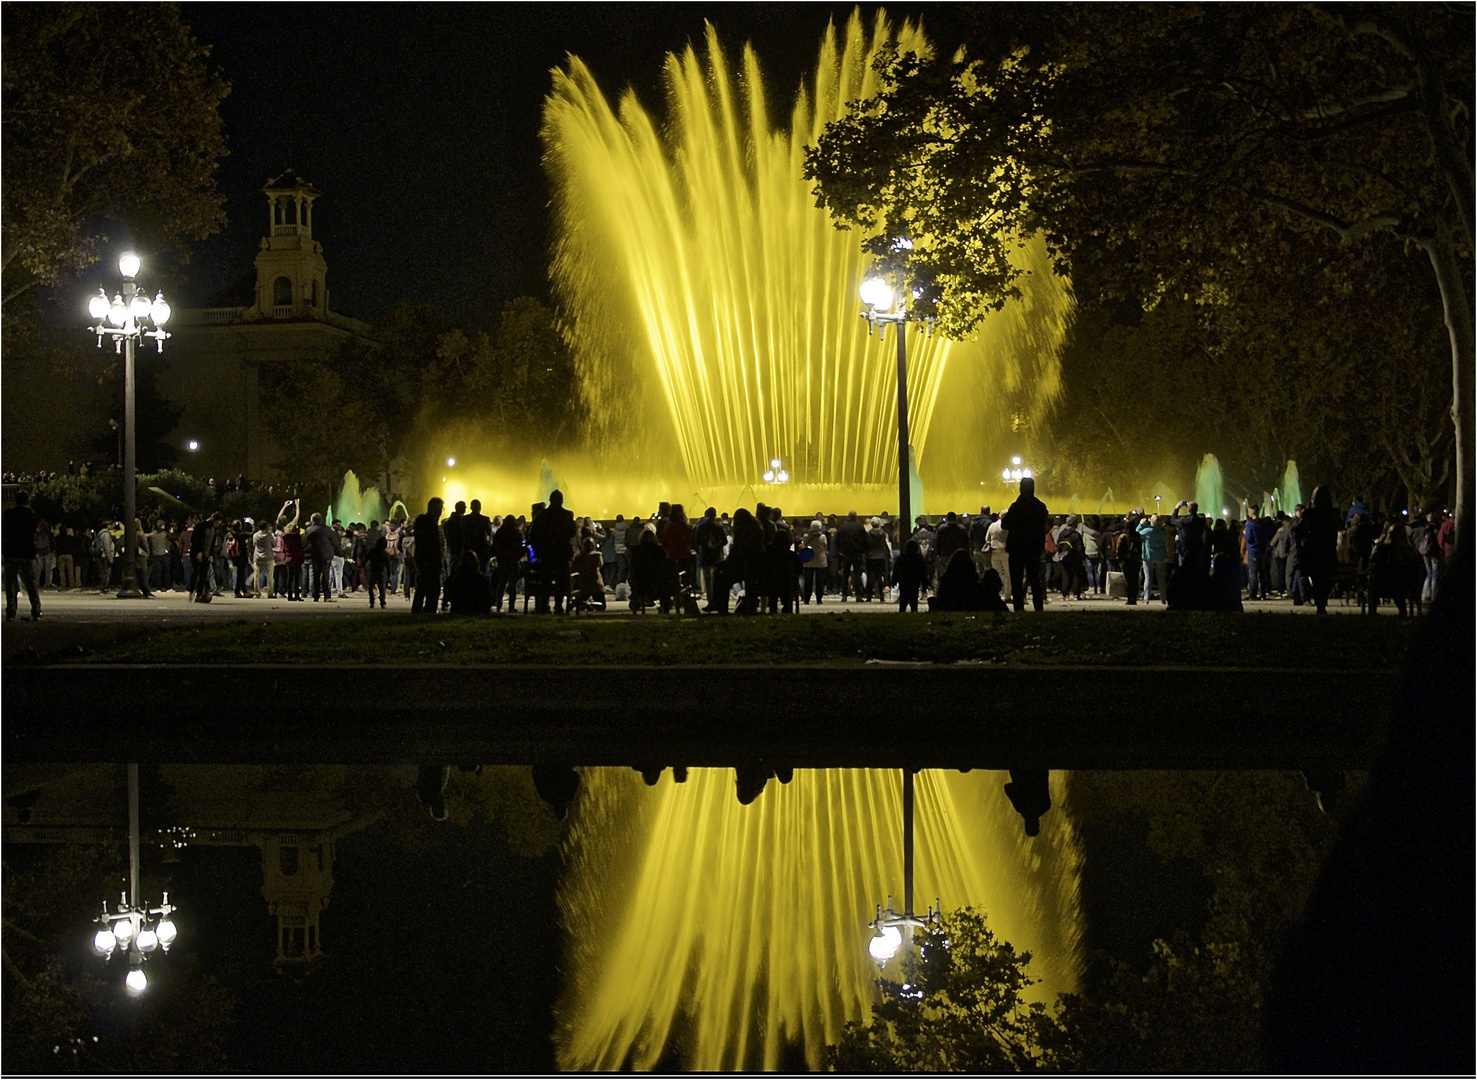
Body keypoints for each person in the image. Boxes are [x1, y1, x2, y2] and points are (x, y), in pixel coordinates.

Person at [1001, 476, 1049, 612]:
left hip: (1017, 547)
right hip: (1034, 547)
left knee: (1016, 579)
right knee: (1034, 579)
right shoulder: (1040, 506)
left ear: (1021, 488)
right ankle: (1038, 608)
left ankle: (1018, 608)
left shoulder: (1016, 506)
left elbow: (1005, 524)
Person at [526, 489, 576, 614]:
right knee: (561, 580)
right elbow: (572, 532)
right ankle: (558, 606)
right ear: (561, 500)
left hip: (546, 553)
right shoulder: (566, 515)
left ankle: (544, 605)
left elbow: (532, 535)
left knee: (546, 579)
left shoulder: (542, 516)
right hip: (562, 553)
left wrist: (538, 549)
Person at [1293, 486, 1340, 614]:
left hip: (1313, 550)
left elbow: (1297, 530)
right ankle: (1321, 603)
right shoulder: (1333, 513)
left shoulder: (1310, 513)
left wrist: (1301, 543)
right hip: (1327, 549)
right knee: (1324, 578)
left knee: (1317, 578)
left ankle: (1320, 604)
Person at [1366, 521, 1424, 616]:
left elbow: (1372, 565)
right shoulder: (1410, 551)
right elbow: (1417, 569)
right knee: (1398, 586)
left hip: (1383, 585)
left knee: (1374, 583)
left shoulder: (1381, 549)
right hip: (1405, 586)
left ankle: (1372, 611)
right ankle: (1403, 611)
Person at [3, 490, 41, 621]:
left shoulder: (9, 514)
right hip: (27, 552)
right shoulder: (31, 515)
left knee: (11, 584)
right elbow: (34, 532)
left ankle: (11, 612)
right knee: (31, 584)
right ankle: (36, 610)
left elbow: (4, 532)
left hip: (11, 552)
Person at [411, 497, 445, 614]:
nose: (441, 511)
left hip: (422, 559)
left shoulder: (421, 521)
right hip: (430, 561)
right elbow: (434, 546)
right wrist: (439, 564)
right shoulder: (430, 523)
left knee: (422, 587)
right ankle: (429, 611)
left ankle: (418, 611)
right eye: (440, 508)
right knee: (433, 589)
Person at [443, 550, 495, 616]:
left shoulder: (455, 577)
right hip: (477, 609)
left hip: (458, 608)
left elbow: (447, 590)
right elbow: (489, 596)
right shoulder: (481, 579)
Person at [491, 512, 524, 612]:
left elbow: (495, 546)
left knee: (501, 583)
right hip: (514, 561)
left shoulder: (500, 532)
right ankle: (511, 606)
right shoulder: (517, 533)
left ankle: (498, 604)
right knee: (512, 585)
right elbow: (521, 546)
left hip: (503, 561)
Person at [304, 512, 337, 602]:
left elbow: (306, 542)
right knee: (326, 575)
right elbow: (334, 541)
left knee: (315, 575)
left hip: (315, 554)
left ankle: (315, 595)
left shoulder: (309, 530)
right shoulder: (326, 529)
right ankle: (327, 595)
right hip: (326, 554)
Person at [891, 538, 928, 613]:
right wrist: (924, 586)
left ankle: (902, 613)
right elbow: (924, 573)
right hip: (915, 582)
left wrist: (894, 581)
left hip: (904, 581)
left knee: (903, 600)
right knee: (914, 600)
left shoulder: (902, 558)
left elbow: (896, 570)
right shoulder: (919, 559)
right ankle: (914, 612)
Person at [570, 537, 606, 612]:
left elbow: (573, 568)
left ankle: (584, 604)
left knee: (581, 604)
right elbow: (601, 565)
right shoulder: (598, 556)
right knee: (602, 606)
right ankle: (590, 605)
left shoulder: (579, 557)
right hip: (597, 584)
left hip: (584, 584)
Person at [364, 531, 390, 608]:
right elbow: (388, 564)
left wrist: (362, 564)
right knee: (381, 588)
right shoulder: (384, 553)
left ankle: (372, 601)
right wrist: (389, 574)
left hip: (373, 571)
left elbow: (366, 558)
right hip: (381, 571)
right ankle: (382, 602)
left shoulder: (373, 551)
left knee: (371, 587)